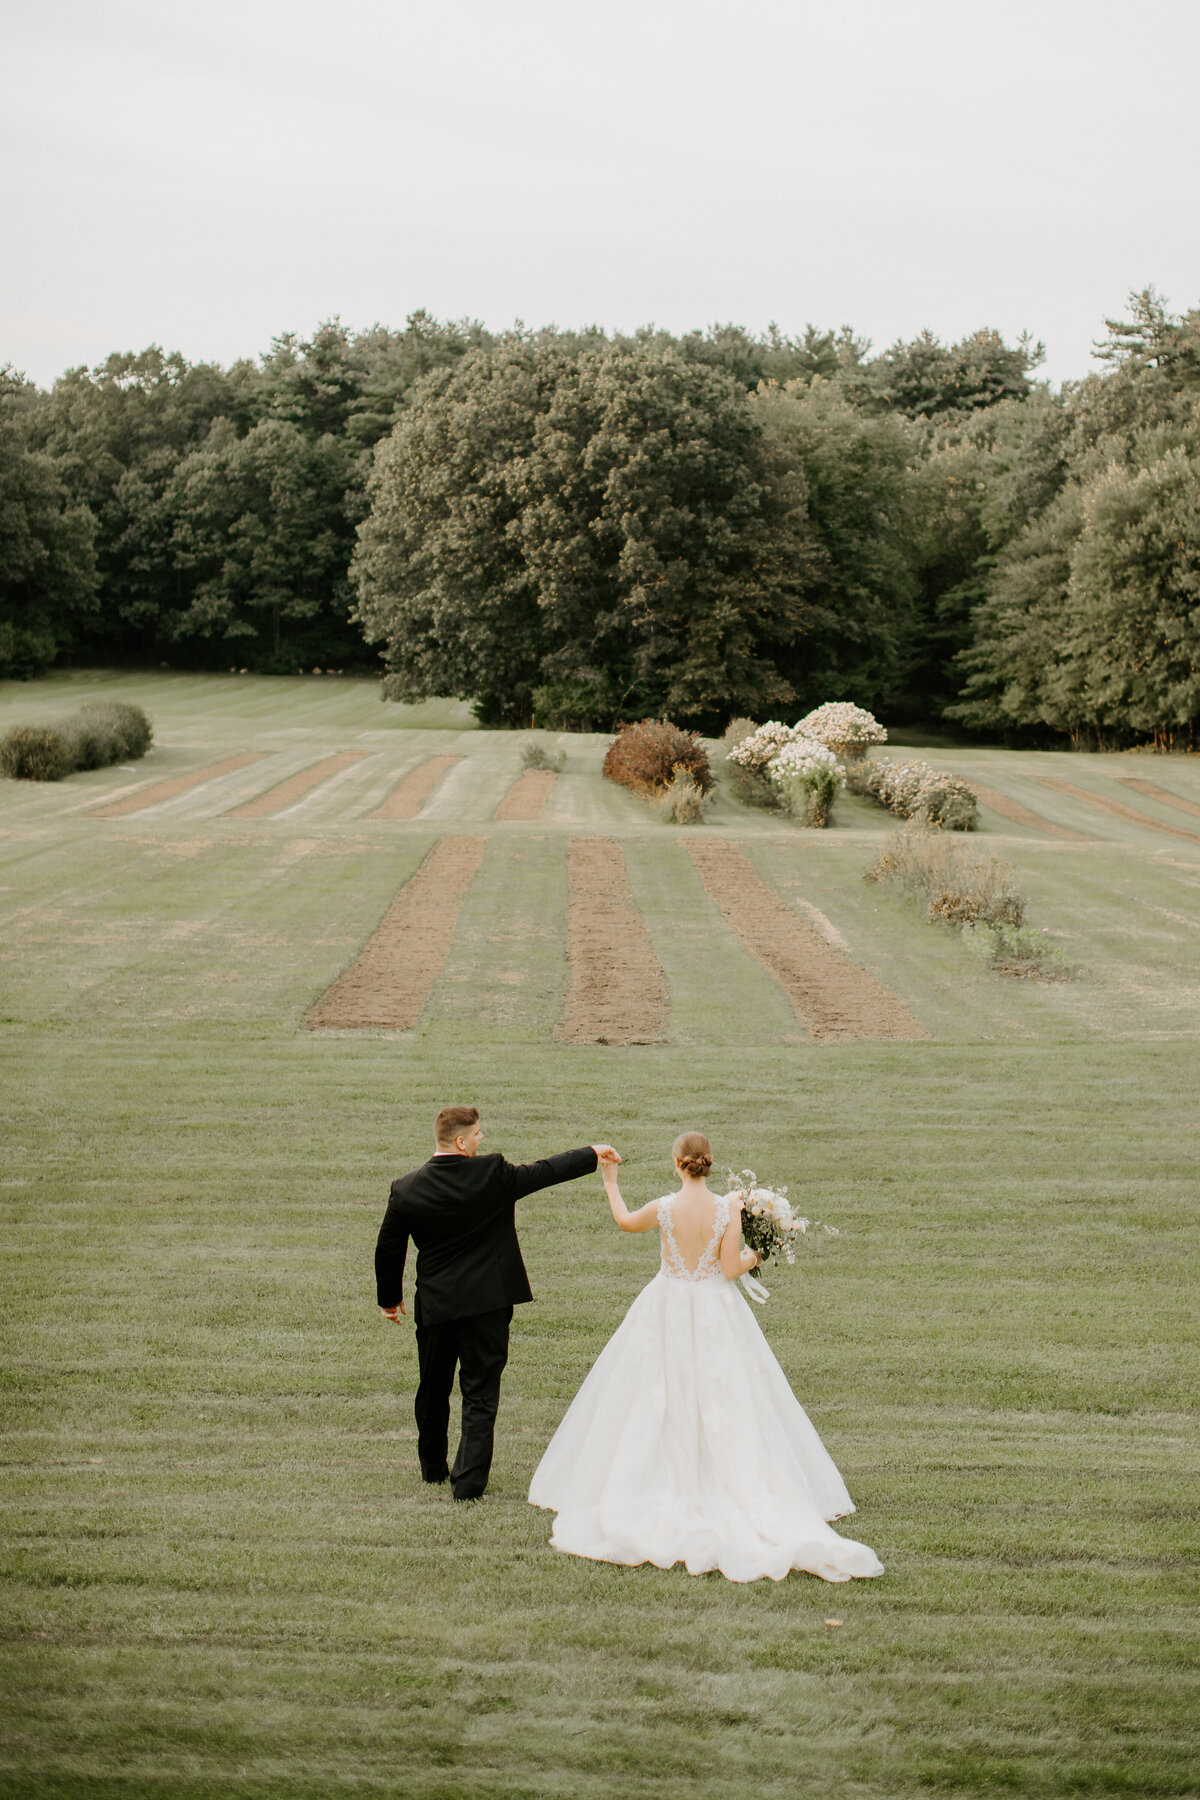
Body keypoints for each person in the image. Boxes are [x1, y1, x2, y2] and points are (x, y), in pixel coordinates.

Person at [529, 1131, 884, 1583]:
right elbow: (730, 1268)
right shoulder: (727, 1209)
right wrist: (757, 1254)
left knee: (656, 1391)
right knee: (727, 1395)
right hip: (717, 1310)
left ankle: (660, 1476)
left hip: (667, 1305)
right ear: (708, 1163)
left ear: (677, 1163)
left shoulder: (664, 1207)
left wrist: (611, 1182)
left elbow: (625, 1222)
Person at [376, 1106, 620, 1501]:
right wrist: (591, 1154)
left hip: (436, 1307)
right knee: (480, 1393)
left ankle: (433, 1468)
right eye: (477, 1134)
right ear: (461, 1141)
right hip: (487, 1306)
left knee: (433, 1388)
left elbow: (389, 1246)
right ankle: (468, 1483)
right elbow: (544, 1172)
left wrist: (389, 1299)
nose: (481, 1139)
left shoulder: (406, 1187)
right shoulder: (492, 1173)